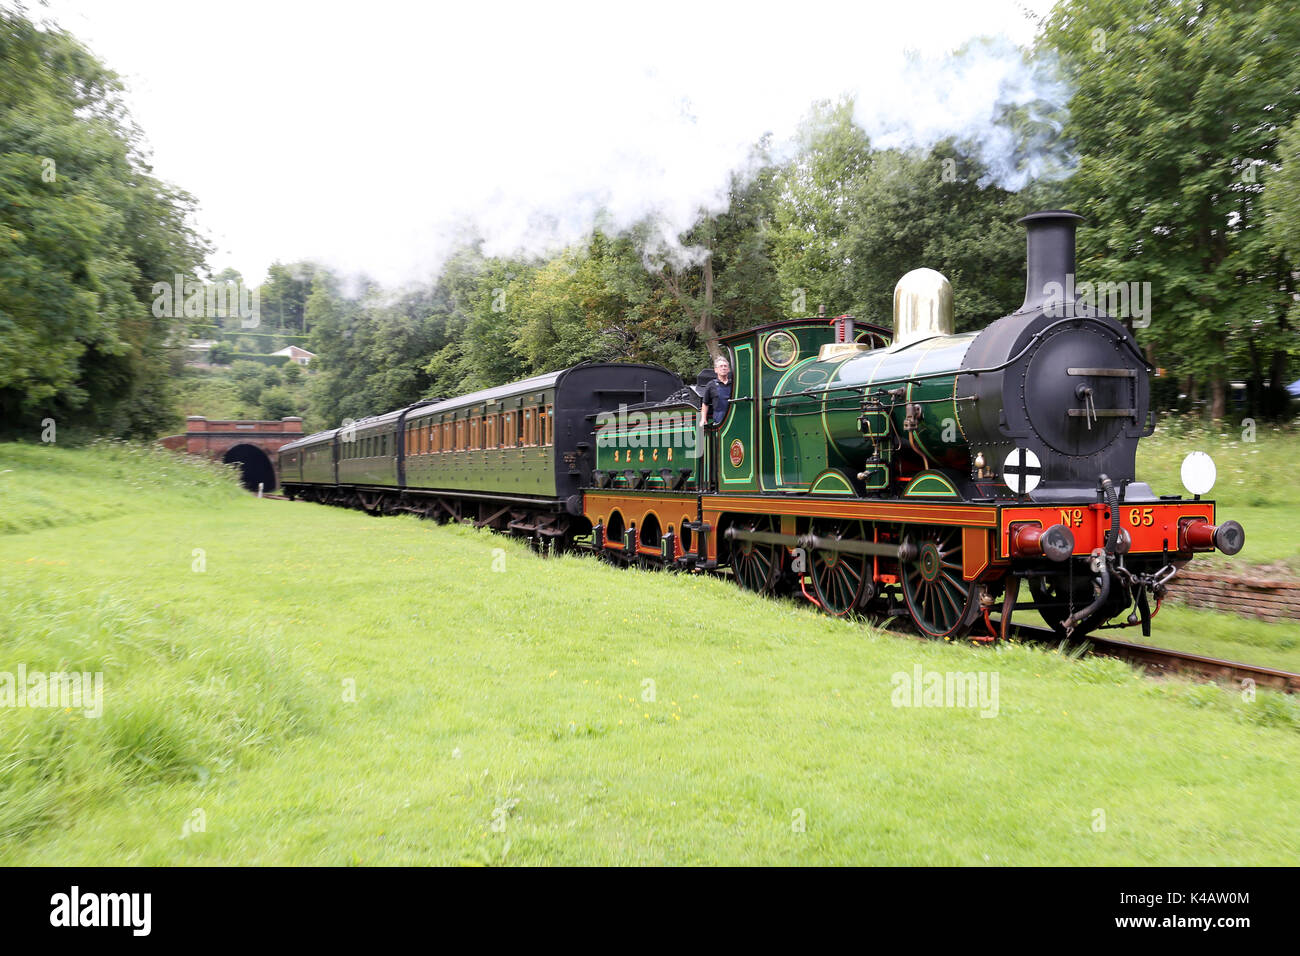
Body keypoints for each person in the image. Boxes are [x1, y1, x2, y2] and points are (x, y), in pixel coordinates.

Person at [700, 355, 732, 427]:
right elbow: (705, 403)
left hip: (733, 417)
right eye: (721, 366)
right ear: (716, 370)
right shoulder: (711, 385)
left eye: (725, 366)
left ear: (728, 369)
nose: (723, 368)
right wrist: (703, 418)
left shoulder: (734, 384)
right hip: (719, 419)